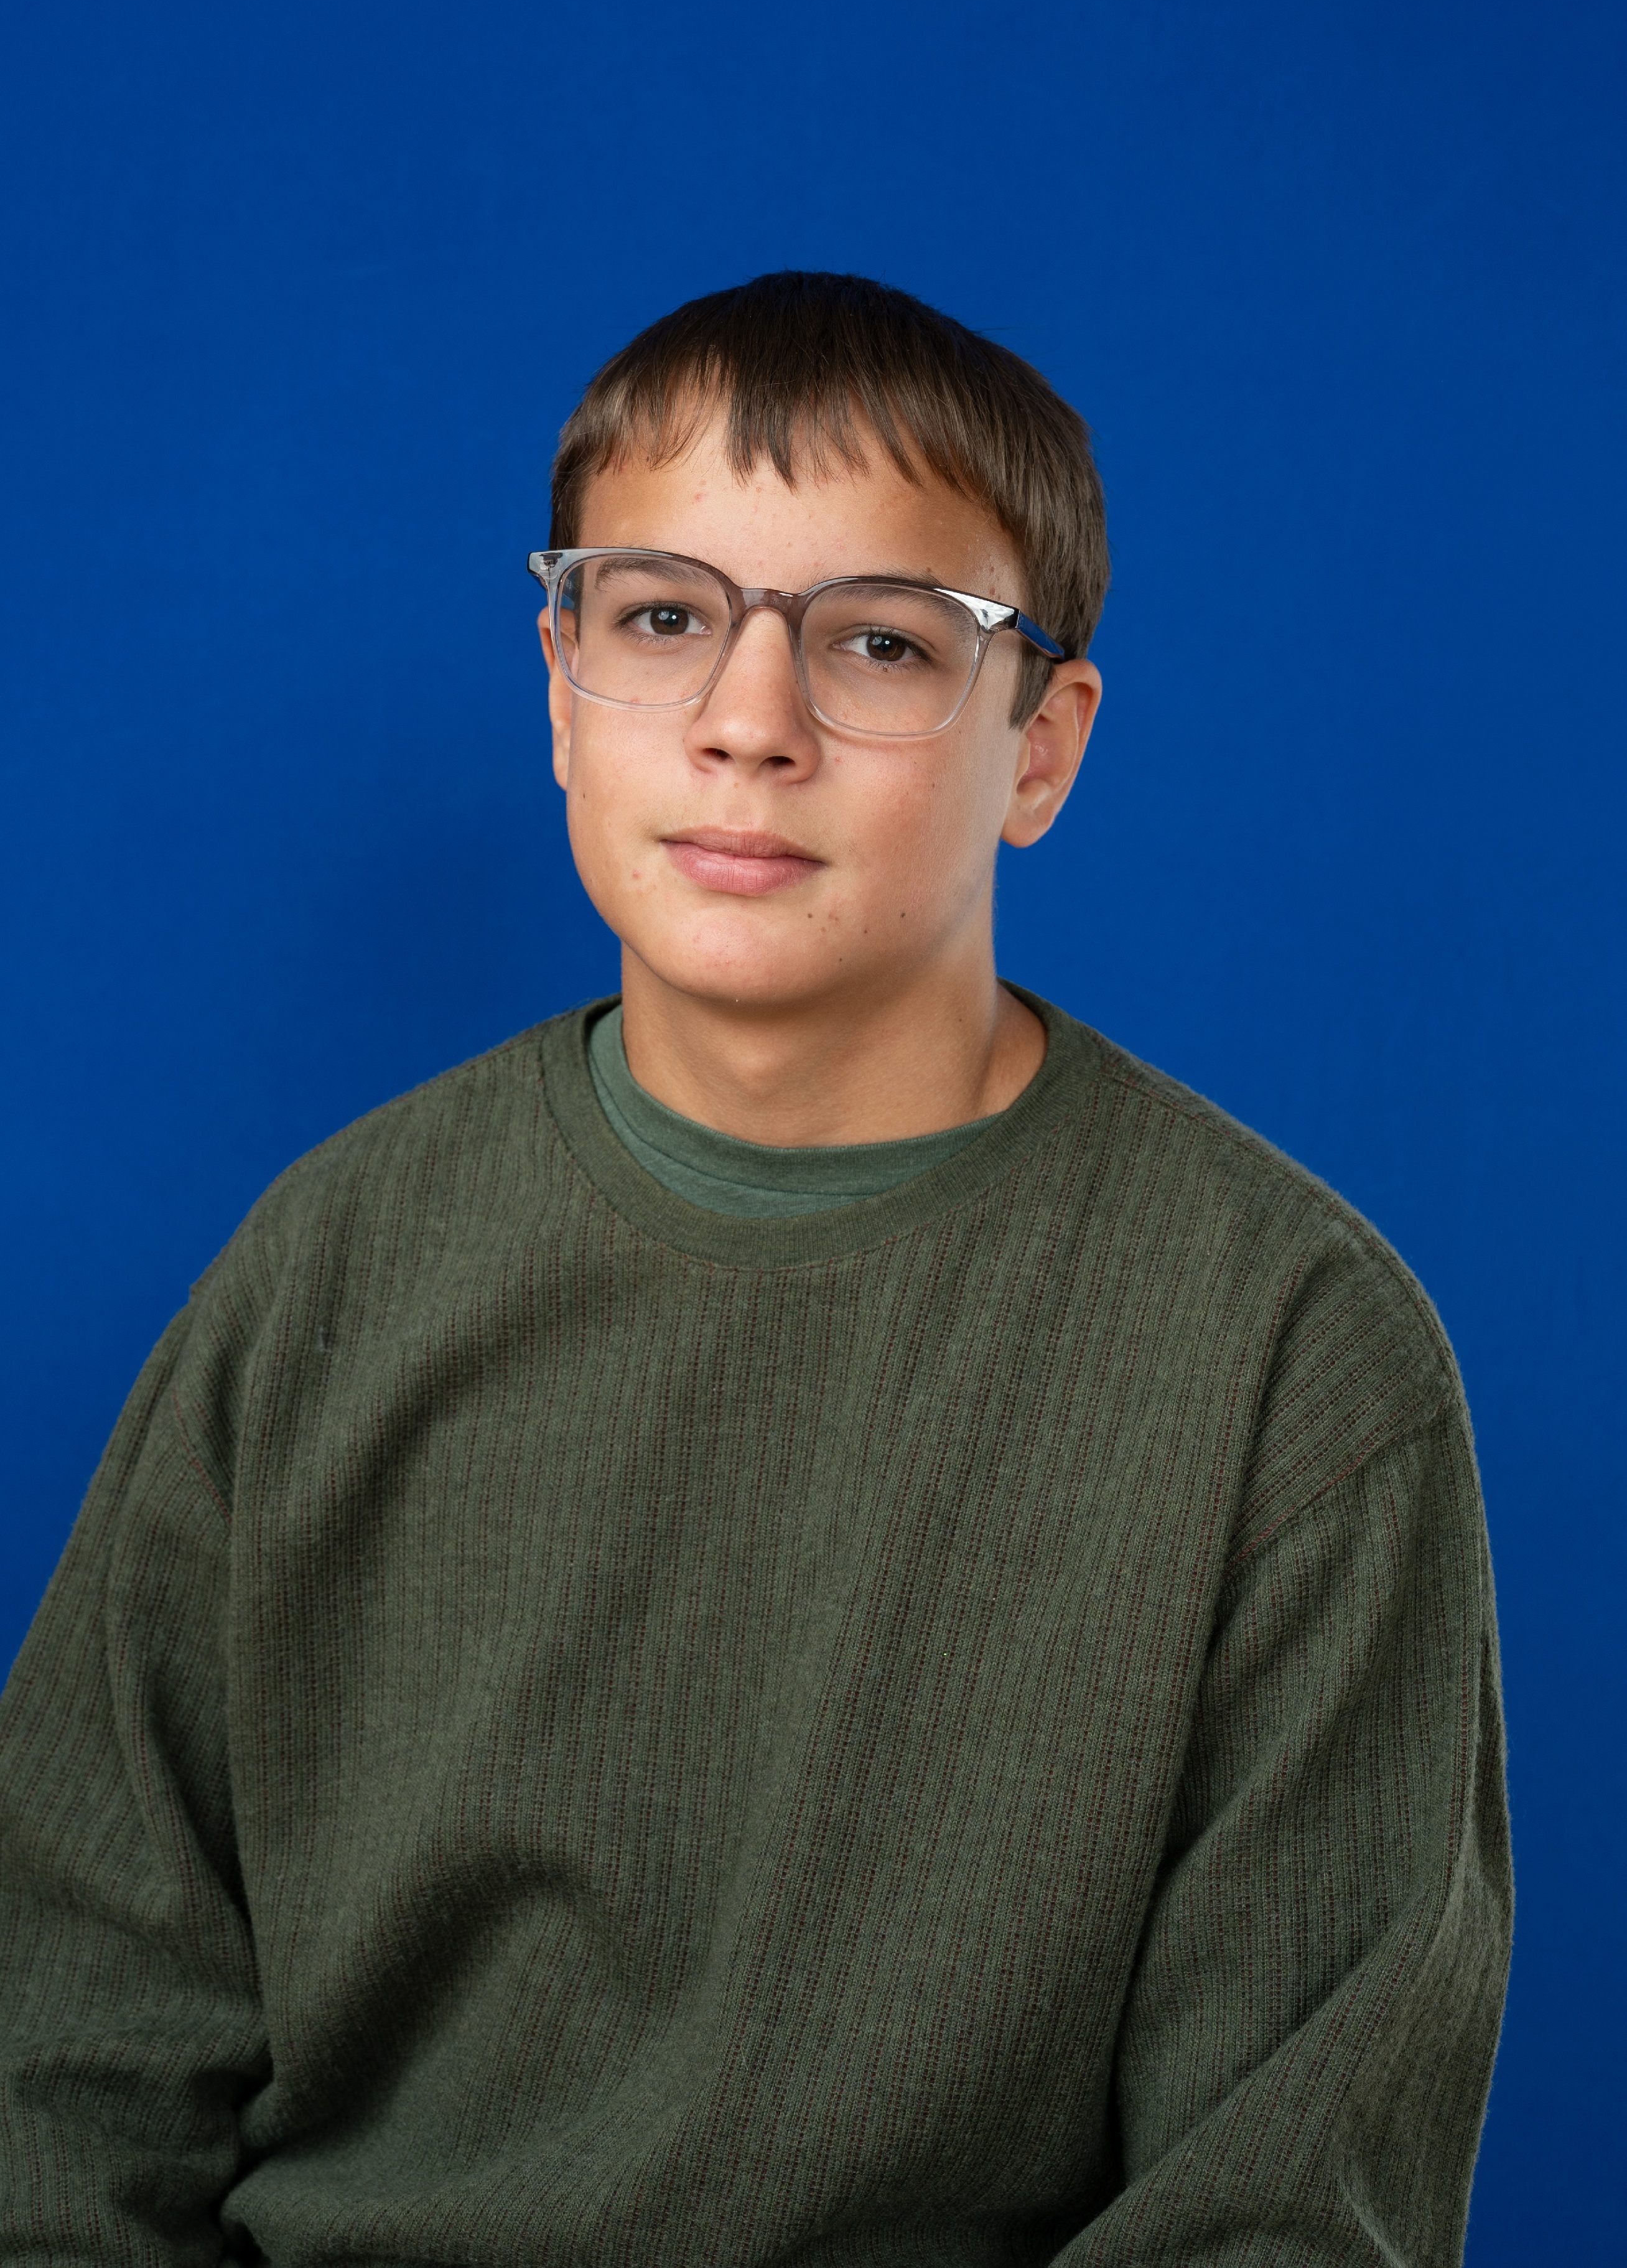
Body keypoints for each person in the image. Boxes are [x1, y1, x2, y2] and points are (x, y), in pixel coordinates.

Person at [0, 272, 1511, 2265]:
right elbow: (63, 2060)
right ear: (561, 686)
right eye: (662, 618)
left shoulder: (1294, 1360)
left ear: (1041, 748)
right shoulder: (328, 1277)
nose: (748, 723)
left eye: (882, 641)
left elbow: (1284, 2204)